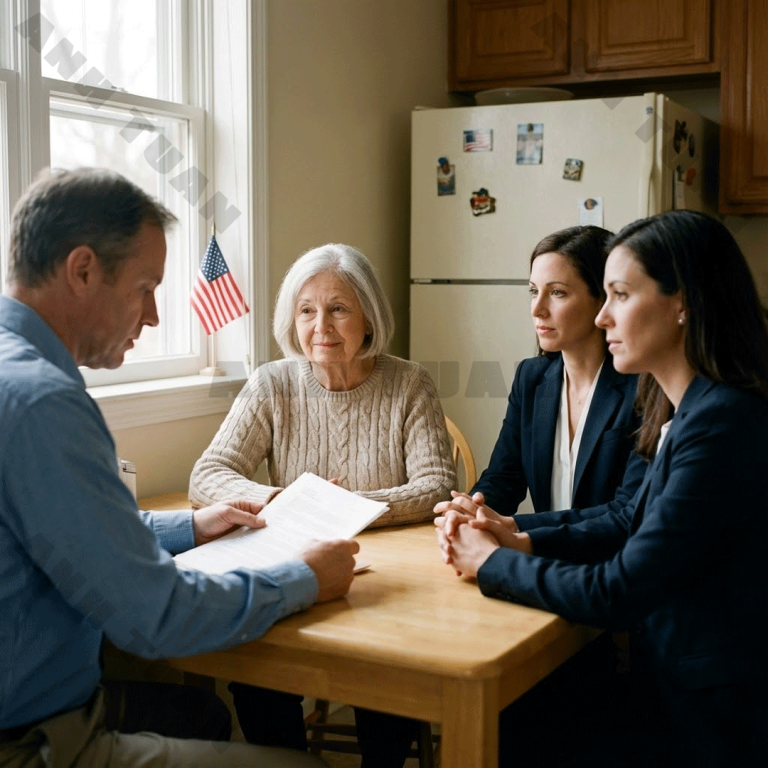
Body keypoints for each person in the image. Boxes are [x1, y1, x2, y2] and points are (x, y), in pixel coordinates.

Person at [0, 167, 360, 768]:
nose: (154, 316)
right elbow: (156, 617)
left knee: (203, 716)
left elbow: (65, 532)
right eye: (145, 287)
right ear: (83, 270)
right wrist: (302, 578)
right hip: (33, 743)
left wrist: (189, 527)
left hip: (47, 706)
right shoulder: (43, 402)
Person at [436, 210, 768, 766]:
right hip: (674, 677)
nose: (604, 317)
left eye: (618, 295)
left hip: (710, 708)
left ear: (683, 302)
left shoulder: (720, 423)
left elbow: (619, 587)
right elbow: (635, 523)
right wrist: (513, 535)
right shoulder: (689, 408)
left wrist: (492, 559)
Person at [189, 242, 456, 768]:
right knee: (256, 662)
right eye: (307, 310)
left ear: (369, 317)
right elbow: (208, 474)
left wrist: (345, 504)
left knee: (390, 670)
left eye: (338, 309)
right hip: (296, 568)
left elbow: (436, 487)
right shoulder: (272, 383)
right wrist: (277, 498)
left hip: (386, 580)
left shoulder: (409, 383)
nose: (321, 327)